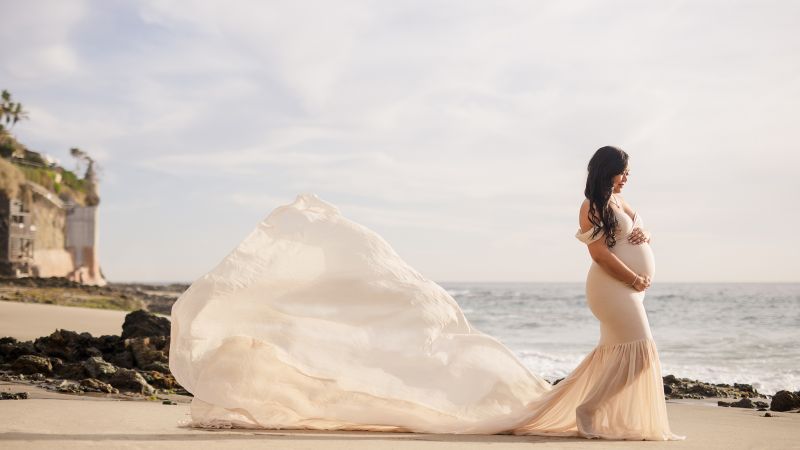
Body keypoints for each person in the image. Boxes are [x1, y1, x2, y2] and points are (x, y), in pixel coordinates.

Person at [168, 146, 685, 441]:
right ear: (605, 170)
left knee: (625, 354)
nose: (627, 176)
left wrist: (643, 237)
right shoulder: (589, 206)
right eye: (623, 170)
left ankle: (588, 409)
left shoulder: (620, 202)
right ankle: (589, 412)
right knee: (637, 353)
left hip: (627, 290)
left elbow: (626, 238)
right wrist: (634, 276)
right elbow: (596, 254)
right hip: (615, 289)